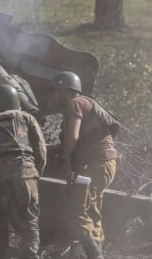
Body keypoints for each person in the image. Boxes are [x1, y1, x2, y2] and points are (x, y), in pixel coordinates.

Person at [0, 85, 46, 259]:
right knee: (29, 220)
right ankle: (30, 256)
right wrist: (35, 172)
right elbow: (41, 148)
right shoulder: (26, 118)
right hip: (24, 172)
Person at [50, 71, 119, 259]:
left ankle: (96, 257)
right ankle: (98, 253)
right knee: (91, 212)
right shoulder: (87, 103)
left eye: (56, 91)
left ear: (66, 91)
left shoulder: (75, 103)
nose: (54, 96)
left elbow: (73, 137)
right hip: (105, 164)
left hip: (94, 166)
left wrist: (63, 157)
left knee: (75, 211)